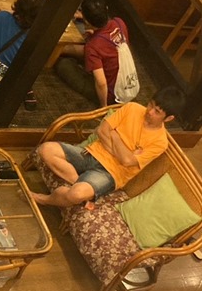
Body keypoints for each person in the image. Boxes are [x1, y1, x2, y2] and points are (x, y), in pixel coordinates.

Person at [31, 86, 185, 208]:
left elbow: (127, 162)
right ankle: (80, 183)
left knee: (75, 194)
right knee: (46, 149)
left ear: (169, 118)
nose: (149, 111)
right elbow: (102, 130)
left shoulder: (160, 142)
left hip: (110, 173)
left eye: (157, 111)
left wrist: (115, 135)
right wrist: (124, 152)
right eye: (150, 104)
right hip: (90, 153)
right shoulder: (132, 108)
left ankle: (43, 199)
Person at [54, 0, 128, 107]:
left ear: (87, 21)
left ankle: (56, 52)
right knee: (86, 49)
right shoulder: (119, 22)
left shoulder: (93, 46)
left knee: (62, 64)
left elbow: (101, 83)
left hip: (111, 95)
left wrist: (103, 107)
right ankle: (60, 50)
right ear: (106, 9)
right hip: (126, 83)